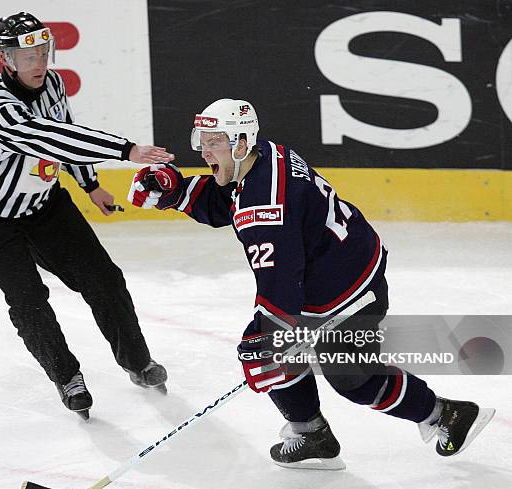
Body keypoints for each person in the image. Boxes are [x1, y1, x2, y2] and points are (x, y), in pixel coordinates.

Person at [127, 98, 495, 468]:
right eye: (202, 141)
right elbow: (233, 198)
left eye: (215, 142)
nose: (205, 152)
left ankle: (447, 416)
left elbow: (280, 280)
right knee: (276, 348)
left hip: (347, 290)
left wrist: (269, 342)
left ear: (240, 143)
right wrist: (177, 192)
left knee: (347, 376)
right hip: (344, 265)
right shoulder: (266, 155)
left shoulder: (264, 209)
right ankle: (311, 432)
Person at [0, 12, 171, 421]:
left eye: (42, 52)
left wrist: (90, 185)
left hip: (44, 205)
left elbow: (64, 129)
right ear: (6, 59)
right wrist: (127, 150)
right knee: (29, 302)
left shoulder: (52, 83)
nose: (39, 63)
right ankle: (66, 376)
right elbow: (48, 138)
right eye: (26, 55)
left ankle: (138, 363)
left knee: (104, 279)